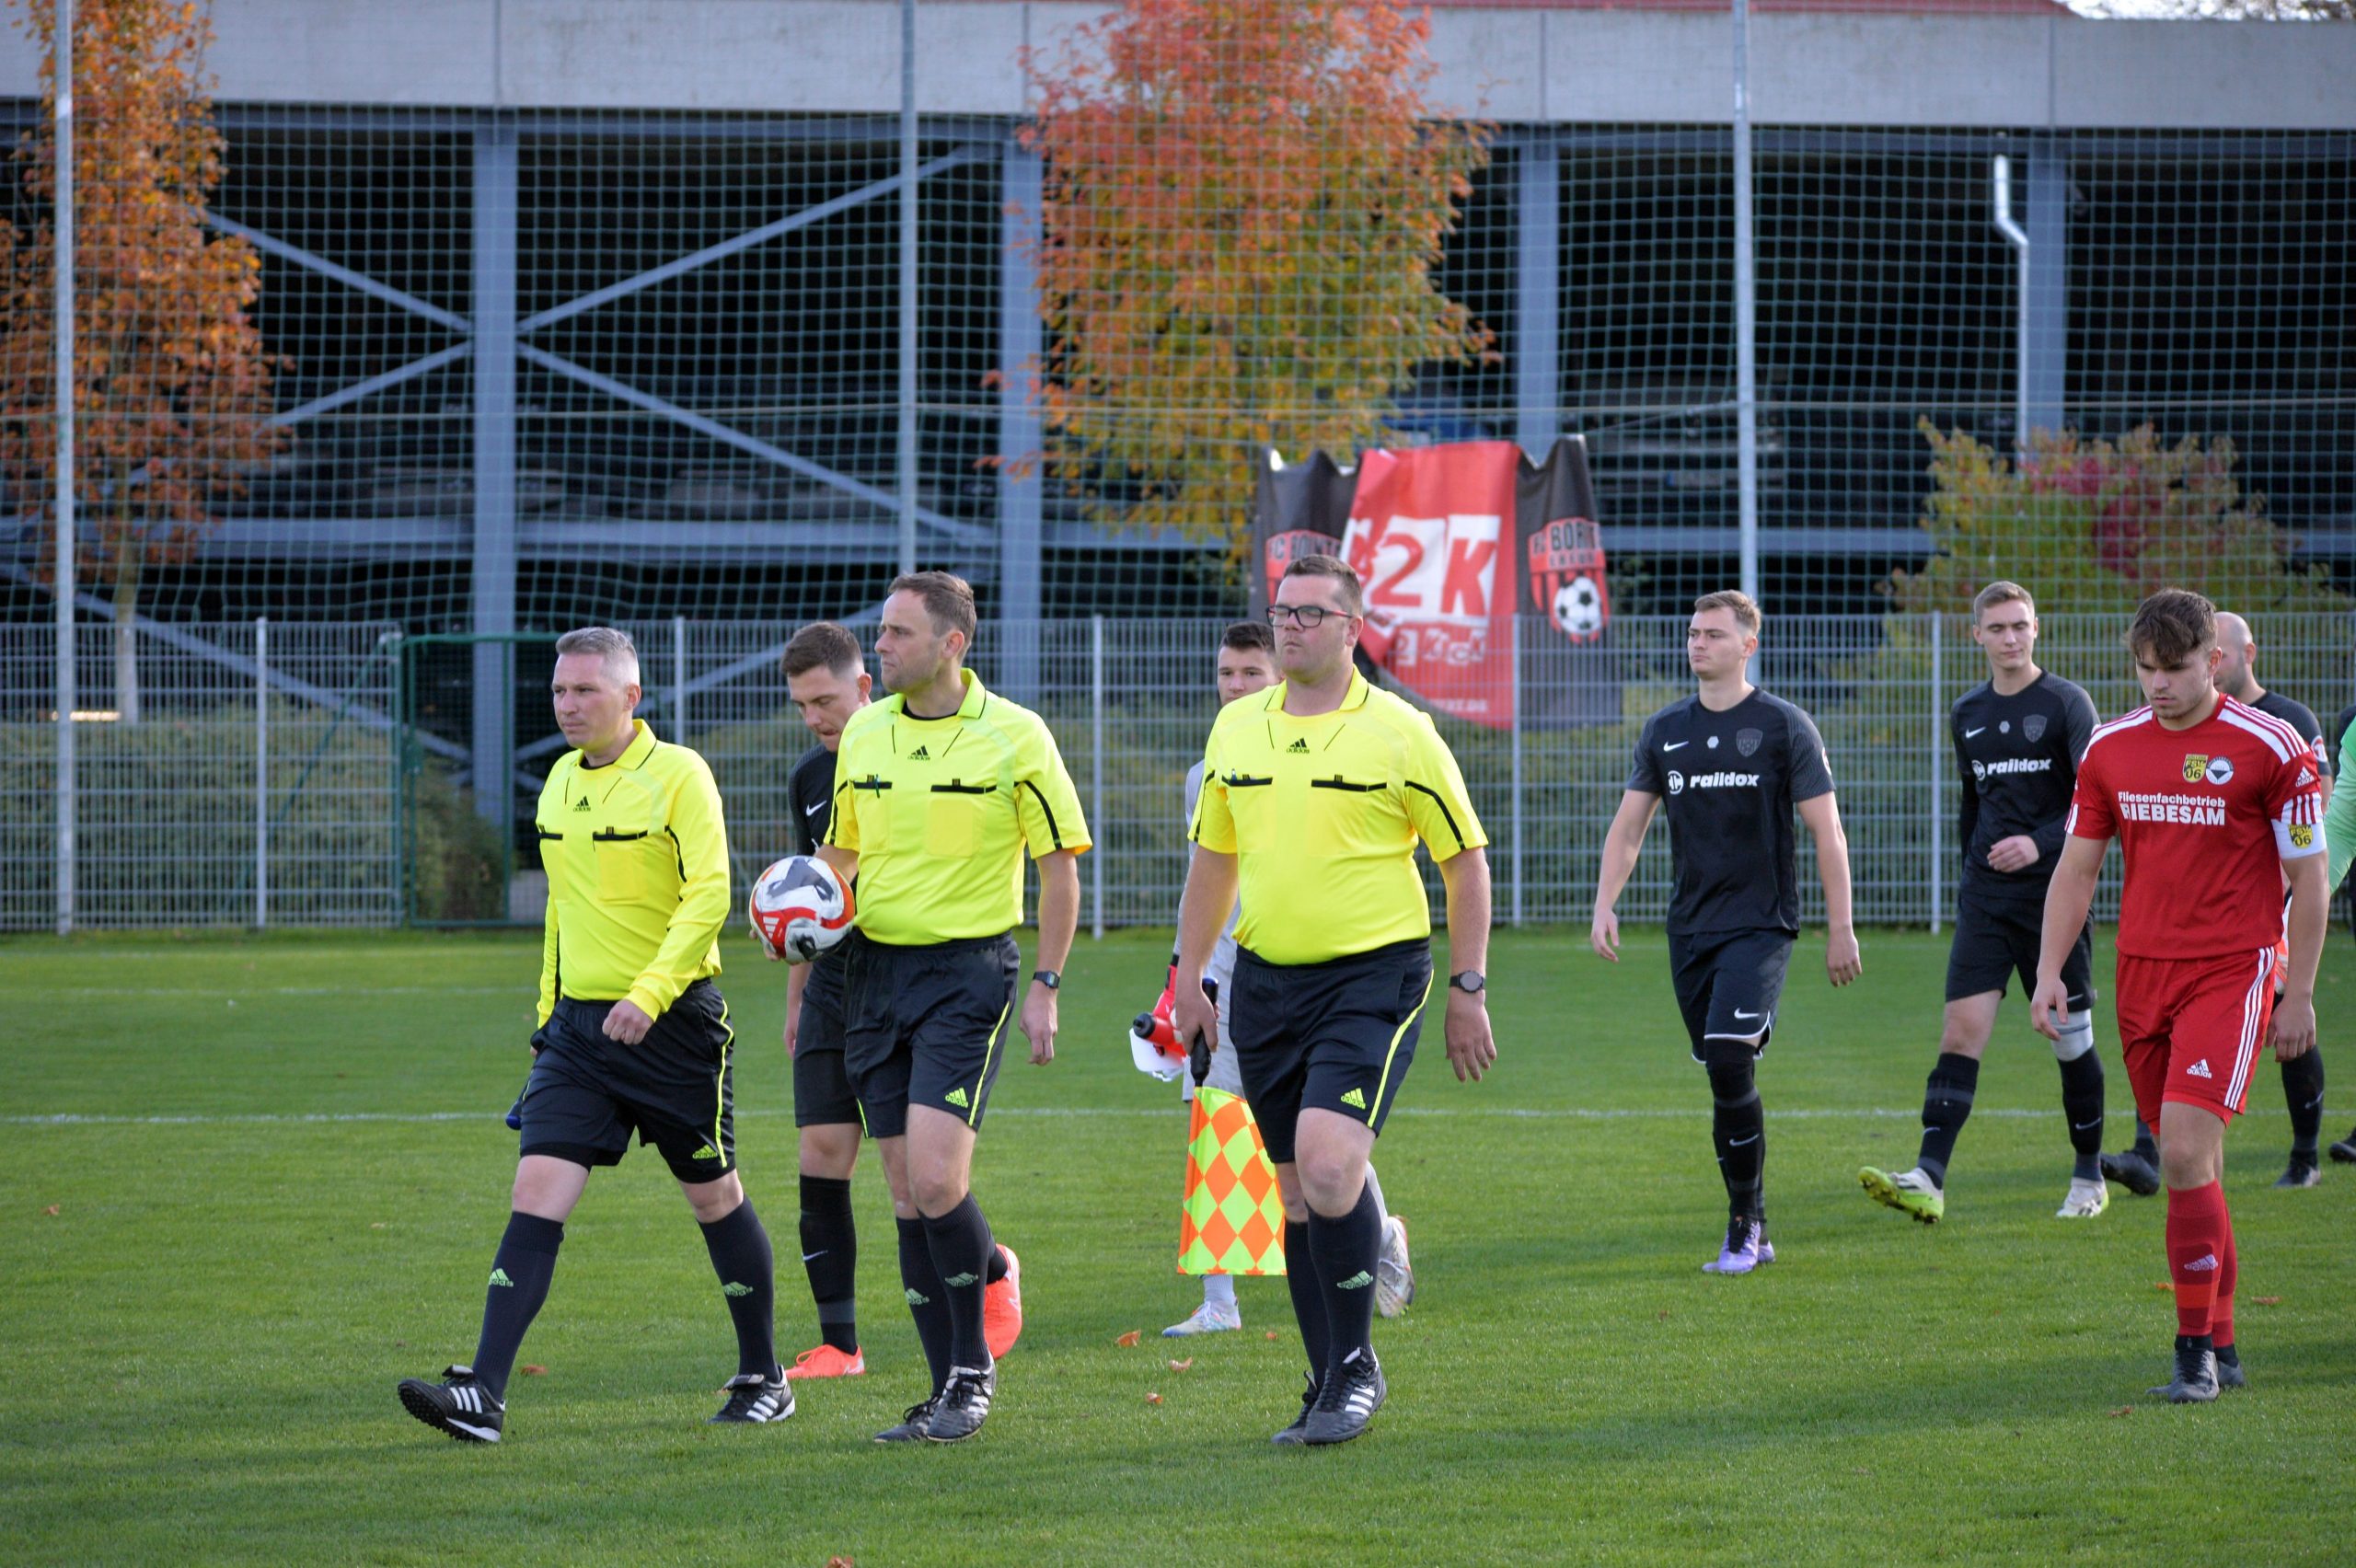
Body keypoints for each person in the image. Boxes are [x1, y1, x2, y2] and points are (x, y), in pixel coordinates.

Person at [398, 627, 789, 1442]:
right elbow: (561, 911)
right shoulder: (558, 781)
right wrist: (549, 1016)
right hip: (577, 1032)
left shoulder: (679, 774)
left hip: (674, 1026)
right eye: (559, 691)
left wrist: (649, 994)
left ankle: (764, 1375)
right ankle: (484, 1395)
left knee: (713, 1197)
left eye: (585, 691)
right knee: (535, 1192)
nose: (567, 706)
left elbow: (709, 895)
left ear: (630, 697)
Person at [1173, 555, 1494, 1446]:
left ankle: (1356, 1369)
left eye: (1312, 614)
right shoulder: (1237, 729)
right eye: (1283, 611)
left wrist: (1468, 986)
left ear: (1353, 629)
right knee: (1293, 1195)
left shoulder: (1400, 732)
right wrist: (1188, 978)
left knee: (1326, 1164)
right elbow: (1214, 863)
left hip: (1372, 977)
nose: (1291, 626)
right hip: (1264, 982)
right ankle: (1324, 1380)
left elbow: (1464, 863)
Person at [2031, 588, 2327, 1403]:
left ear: (2215, 661)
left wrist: (2298, 993)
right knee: (2199, 1169)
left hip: (2233, 970)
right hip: (2142, 974)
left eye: (2175, 667)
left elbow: (2310, 877)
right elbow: (2078, 868)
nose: (2158, 684)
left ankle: (2192, 1355)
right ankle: (2223, 1344)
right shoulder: (2111, 747)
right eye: (2146, 668)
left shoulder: (2273, 745)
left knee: (2186, 1156)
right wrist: (2051, 969)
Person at [815, 572, 1088, 1444]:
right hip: (872, 975)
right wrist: (800, 910)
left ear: (951, 644)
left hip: (968, 976)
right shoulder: (866, 733)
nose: (881, 646)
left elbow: (1058, 867)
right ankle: (943, 1391)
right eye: (882, 630)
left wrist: (1046, 984)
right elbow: (843, 854)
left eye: (898, 633)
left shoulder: (1016, 734)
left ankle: (972, 1371)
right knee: (906, 1192)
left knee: (936, 1179)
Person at [772, 623, 1026, 1380]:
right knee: (820, 1153)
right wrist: (796, 992)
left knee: (913, 1176)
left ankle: (989, 1273)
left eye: (824, 701)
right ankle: (840, 1345)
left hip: (908, 975)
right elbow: (815, 890)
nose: (814, 719)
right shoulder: (810, 778)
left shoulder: (911, 749)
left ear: (864, 688)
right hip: (833, 983)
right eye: (801, 706)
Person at [1158, 619, 1415, 1339]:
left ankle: (1381, 1236)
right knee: (1212, 1120)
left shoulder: (1334, 751)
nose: (1235, 686)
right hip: (1224, 976)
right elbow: (1204, 883)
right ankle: (1219, 1301)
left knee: (1313, 1143)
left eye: (1252, 673)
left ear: (1282, 680)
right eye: (1226, 673)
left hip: (1303, 977)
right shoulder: (1208, 771)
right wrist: (1184, 976)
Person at [1592, 589, 1862, 1274]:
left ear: (1748, 645)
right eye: (1693, 633)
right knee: (1720, 1069)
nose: (1698, 643)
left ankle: (1746, 1224)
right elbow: (1629, 828)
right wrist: (1604, 904)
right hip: (1690, 929)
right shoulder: (1664, 730)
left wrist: (1841, 927)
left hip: (1761, 924)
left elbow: (1827, 832)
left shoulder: (1784, 726)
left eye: (1713, 634)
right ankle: (1753, 1227)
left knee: (1729, 1056)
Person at [1857, 582, 2107, 1224]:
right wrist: (1973, 874)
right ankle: (1928, 1177)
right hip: (1987, 901)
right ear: (1977, 636)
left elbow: (2097, 804)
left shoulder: (2066, 704)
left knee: (2070, 1040)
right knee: (1960, 1032)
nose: (2010, 638)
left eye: (2019, 625)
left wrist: (2038, 843)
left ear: (2036, 629)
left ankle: (2088, 1176)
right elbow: (1974, 803)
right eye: (1997, 628)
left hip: (2055, 898)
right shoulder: (1967, 712)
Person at [2210, 612, 2335, 1188]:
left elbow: (2316, 809)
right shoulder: (2199, 722)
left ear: (2249, 653)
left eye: (2220, 652)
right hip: (2211, 907)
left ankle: (2305, 1157)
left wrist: (2282, 882)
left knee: (2285, 1013)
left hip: (2275, 901)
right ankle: (2147, 1148)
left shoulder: (2290, 720)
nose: (2212, 663)